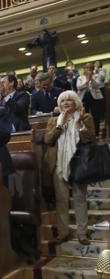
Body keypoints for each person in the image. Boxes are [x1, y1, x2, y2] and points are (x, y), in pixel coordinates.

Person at [44, 91, 95, 245]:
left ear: (75, 102)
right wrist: (60, 126)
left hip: (78, 163)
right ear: (59, 104)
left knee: (80, 199)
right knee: (61, 200)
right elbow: (48, 140)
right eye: (63, 101)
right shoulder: (53, 120)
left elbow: (90, 139)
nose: (66, 103)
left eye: (69, 100)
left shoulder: (86, 117)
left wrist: (79, 124)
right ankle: (63, 232)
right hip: (59, 164)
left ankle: (82, 233)